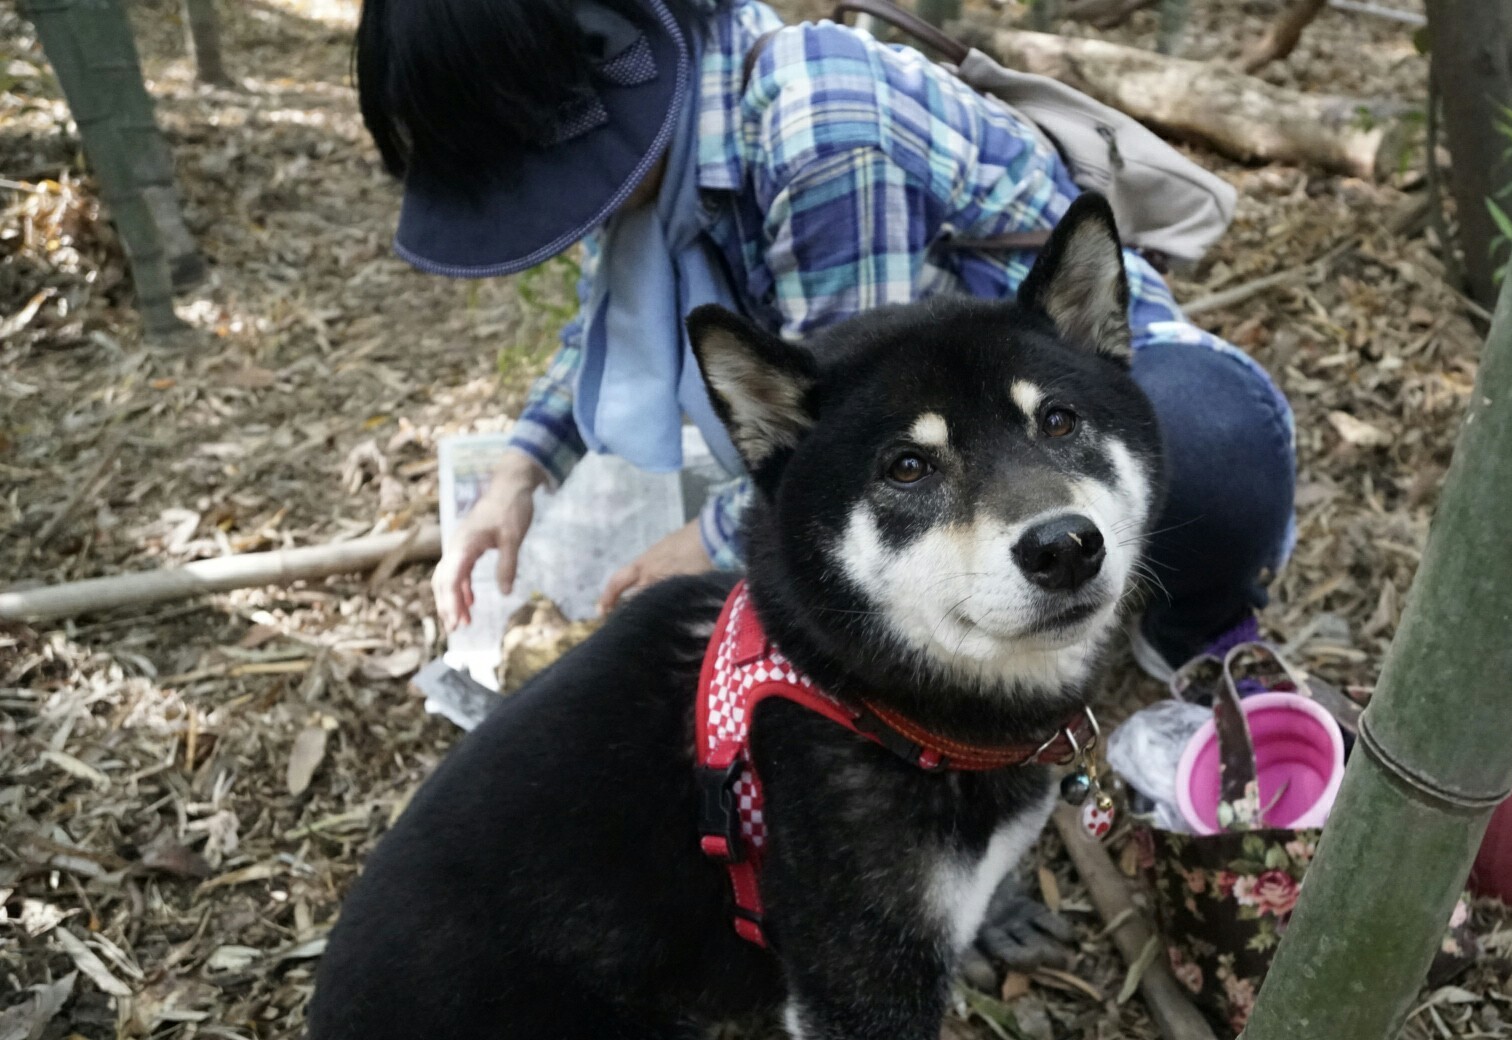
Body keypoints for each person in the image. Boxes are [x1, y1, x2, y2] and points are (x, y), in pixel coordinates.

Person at [358, 0, 1296, 673]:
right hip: (937, 441)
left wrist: (705, 541)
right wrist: (520, 472)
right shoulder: (674, 153)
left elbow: (863, 410)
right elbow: (607, 316)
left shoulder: (819, 126)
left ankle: (1190, 628)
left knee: (1202, 443)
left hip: (1046, 408)